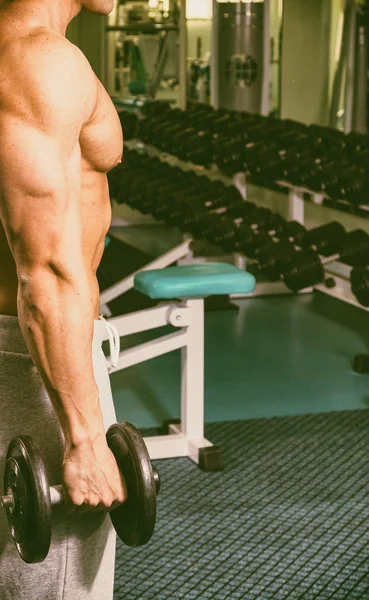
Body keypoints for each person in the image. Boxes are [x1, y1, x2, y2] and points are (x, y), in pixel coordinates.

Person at [0, 0, 127, 598]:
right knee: (53, 581)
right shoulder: (37, 61)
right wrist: (84, 438)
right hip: (35, 357)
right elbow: (46, 270)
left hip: (26, 347)